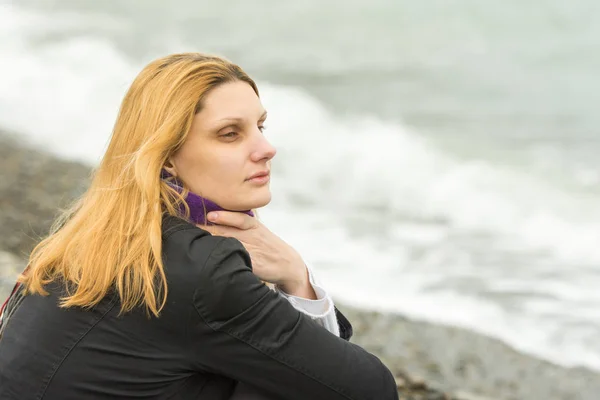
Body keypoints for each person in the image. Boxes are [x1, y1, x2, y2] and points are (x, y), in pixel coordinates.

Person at [0, 52, 399, 399]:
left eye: (260, 126)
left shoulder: (93, 234)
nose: (266, 148)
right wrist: (297, 278)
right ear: (167, 157)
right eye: (230, 134)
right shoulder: (200, 269)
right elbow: (368, 388)